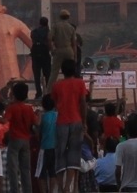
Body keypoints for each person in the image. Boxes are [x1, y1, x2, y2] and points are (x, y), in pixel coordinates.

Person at [51, 59, 87, 193]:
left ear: (62, 70)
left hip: (61, 122)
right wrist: (84, 122)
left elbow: (55, 103)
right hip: (76, 121)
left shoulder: (56, 85)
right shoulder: (80, 83)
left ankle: (61, 188)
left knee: (60, 154)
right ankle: (68, 187)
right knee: (74, 154)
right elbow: (83, 103)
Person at [4, 83, 35, 193]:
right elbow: (35, 122)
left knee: (13, 169)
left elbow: (5, 121)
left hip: (14, 140)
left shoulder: (11, 108)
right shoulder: (29, 108)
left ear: (14, 94)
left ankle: (15, 190)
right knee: (26, 169)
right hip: (26, 140)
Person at [114, 119, 137, 192]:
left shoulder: (121, 146)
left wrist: (119, 185)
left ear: (127, 131)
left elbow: (118, 170)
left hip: (126, 187)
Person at [47, 11, 79, 92]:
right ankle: (73, 90)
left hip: (58, 50)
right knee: (70, 72)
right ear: (68, 17)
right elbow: (74, 44)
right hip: (69, 50)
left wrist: (52, 50)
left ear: (60, 17)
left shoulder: (56, 26)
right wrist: (75, 56)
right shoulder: (71, 27)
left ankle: (49, 92)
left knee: (54, 72)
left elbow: (49, 38)